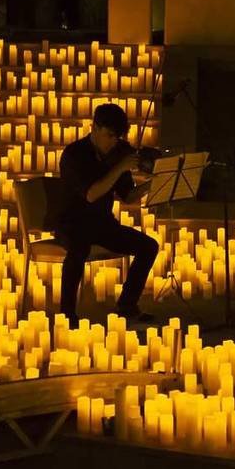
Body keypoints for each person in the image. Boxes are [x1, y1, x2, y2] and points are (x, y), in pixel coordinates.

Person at [57, 103, 158, 324]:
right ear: (94, 127)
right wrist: (119, 168)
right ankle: (66, 314)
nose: (114, 143)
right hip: (71, 221)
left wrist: (153, 184)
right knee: (78, 248)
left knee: (149, 246)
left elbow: (128, 196)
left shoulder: (119, 154)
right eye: (109, 136)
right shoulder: (74, 154)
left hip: (102, 224)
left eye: (118, 137)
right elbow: (91, 194)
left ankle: (127, 305)